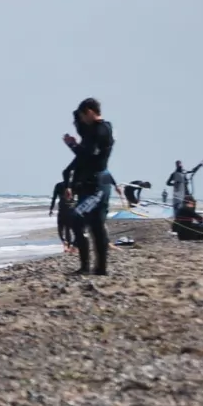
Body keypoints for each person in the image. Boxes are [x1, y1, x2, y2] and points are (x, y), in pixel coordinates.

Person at [62, 98, 114, 276]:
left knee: (77, 218)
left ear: (90, 112)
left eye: (83, 117)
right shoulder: (97, 130)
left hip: (98, 185)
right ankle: (99, 269)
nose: (81, 122)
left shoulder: (101, 130)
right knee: (95, 225)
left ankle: (89, 267)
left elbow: (89, 157)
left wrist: (73, 145)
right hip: (95, 183)